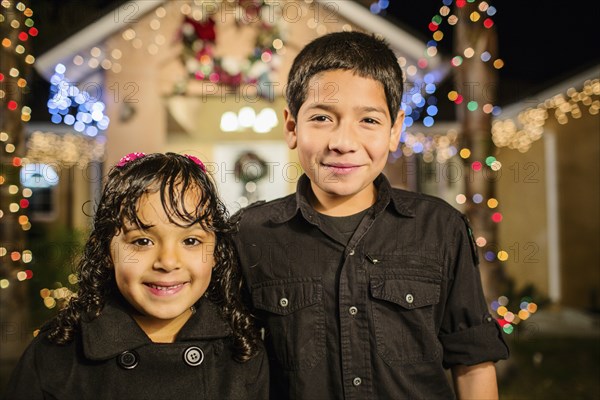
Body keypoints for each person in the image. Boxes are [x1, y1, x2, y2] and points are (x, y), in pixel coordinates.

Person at [232, 31, 509, 399]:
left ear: (395, 130)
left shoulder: (441, 229)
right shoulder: (251, 234)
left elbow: (472, 362)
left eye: (369, 121)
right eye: (321, 118)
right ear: (292, 127)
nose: (343, 142)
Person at [5, 152, 268, 400]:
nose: (167, 262)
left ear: (216, 252)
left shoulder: (242, 351)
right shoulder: (57, 354)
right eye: (142, 241)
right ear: (108, 249)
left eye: (190, 240)